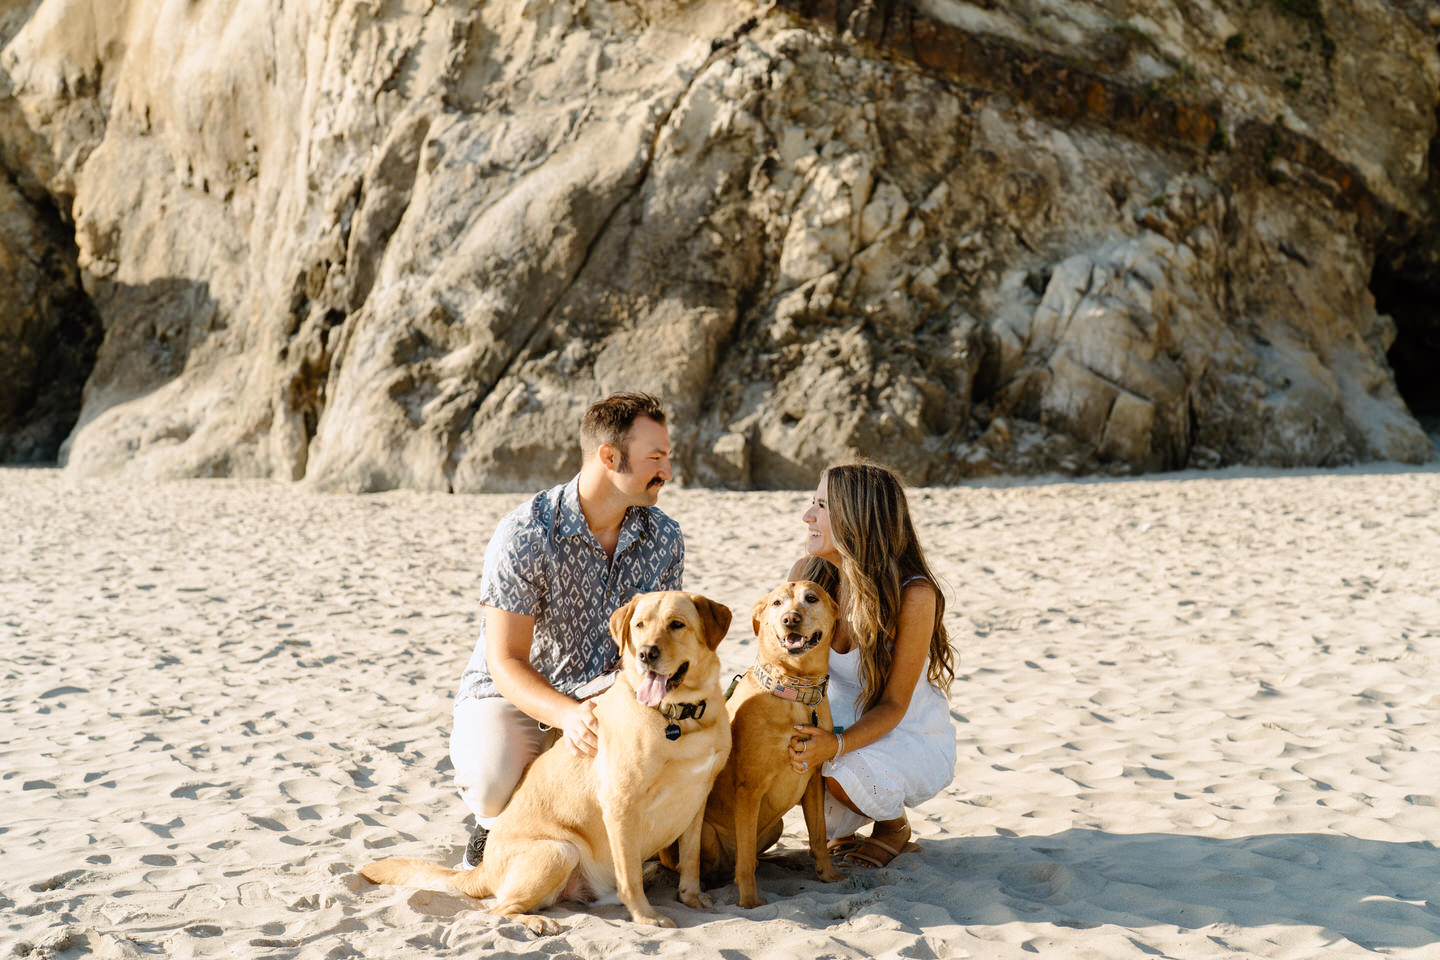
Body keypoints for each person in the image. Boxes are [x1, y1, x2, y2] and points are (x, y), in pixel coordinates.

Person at [450, 392, 684, 868]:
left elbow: (656, 646)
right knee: (492, 782)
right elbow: (506, 660)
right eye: (655, 458)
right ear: (609, 457)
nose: (668, 472)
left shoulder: (664, 537)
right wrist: (568, 716)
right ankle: (495, 827)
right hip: (512, 694)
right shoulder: (525, 533)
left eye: (667, 457)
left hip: (609, 692)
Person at [785, 461, 957, 869]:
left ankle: (892, 826)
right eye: (812, 502)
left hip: (905, 733)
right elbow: (785, 670)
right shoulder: (806, 578)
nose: (808, 515)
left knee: (843, 781)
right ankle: (847, 814)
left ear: (859, 517)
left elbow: (895, 705)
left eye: (822, 506)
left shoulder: (913, 595)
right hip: (837, 723)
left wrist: (835, 746)